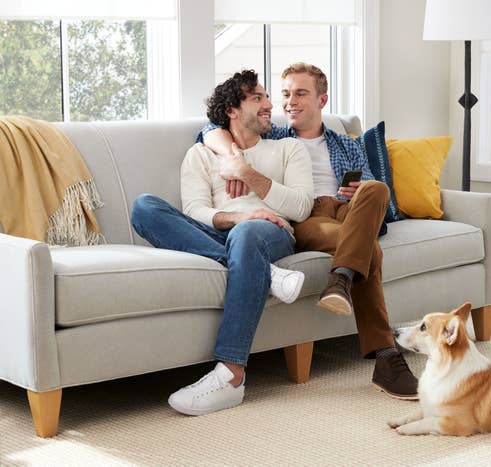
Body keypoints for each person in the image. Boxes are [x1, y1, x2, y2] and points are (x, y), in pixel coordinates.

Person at [199, 63, 418, 400]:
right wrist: (232, 155)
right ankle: (385, 355)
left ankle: (341, 278)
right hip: (309, 216)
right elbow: (210, 127)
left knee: (376, 189)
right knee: (369, 252)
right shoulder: (271, 135)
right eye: (285, 94)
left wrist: (360, 191)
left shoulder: (346, 143)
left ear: (322, 100)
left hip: (351, 212)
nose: (289, 102)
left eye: (300, 93)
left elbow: (383, 201)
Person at [131, 70, 314, 415]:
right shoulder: (201, 155)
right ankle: (267, 275)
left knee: (247, 235)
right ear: (232, 109)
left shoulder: (289, 148)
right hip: (223, 232)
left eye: (267, 98)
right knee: (144, 207)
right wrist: (238, 217)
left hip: (270, 234)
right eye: (257, 98)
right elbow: (195, 210)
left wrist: (246, 174)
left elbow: (302, 209)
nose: (270, 105)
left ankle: (231, 375)